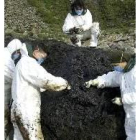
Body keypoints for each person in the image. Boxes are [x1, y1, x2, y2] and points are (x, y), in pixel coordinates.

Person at [11, 42, 71, 140]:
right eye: (43, 56)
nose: (42, 59)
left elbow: (33, 83)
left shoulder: (22, 63)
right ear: (36, 50)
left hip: (18, 108)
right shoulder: (28, 63)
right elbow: (45, 80)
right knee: (34, 137)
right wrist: (64, 83)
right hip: (27, 111)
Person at [85, 55, 136, 140]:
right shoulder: (124, 73)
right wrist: (97, 81)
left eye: (117, 64)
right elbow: (113, 78)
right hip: (130, 113)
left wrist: (123, 100)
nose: (117, 67)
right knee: (131, 135)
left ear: (123, 61)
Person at [4, 39, 27, 140]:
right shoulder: (6, 60)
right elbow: (15, 77)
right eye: (17, 52)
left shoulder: (7, 53)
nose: (18, 54)